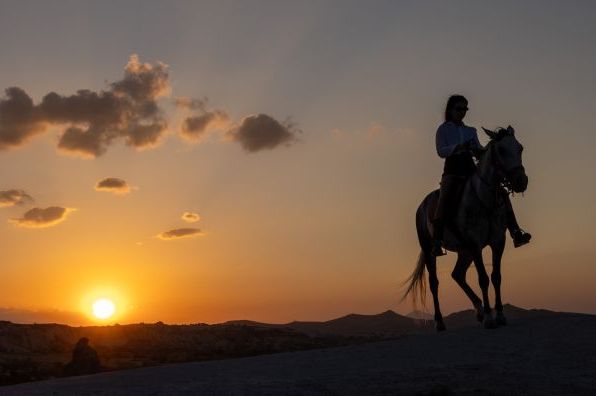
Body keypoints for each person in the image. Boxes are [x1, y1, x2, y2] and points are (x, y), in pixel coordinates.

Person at [431, 94, 531, 256]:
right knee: (445, 196)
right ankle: (436, 241)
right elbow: (441, 151)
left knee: (502, 193)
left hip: (471, 170)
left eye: (465, 109)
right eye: (459, 108)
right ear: (451, 110)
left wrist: (485, 150)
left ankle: (515, 232)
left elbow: (478, 150)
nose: (462, 112)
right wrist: (458, 147)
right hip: (453, 170)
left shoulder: (470, 130)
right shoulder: (443, 130)